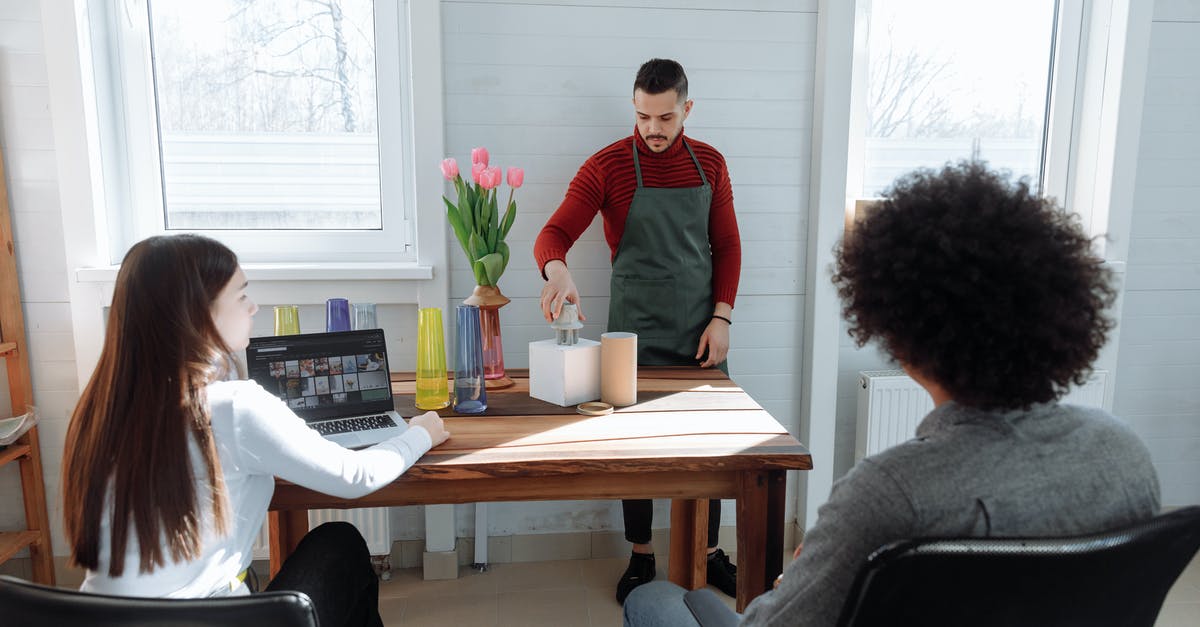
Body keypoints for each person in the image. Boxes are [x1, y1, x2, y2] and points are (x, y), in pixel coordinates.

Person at [622, 161, 1162, 626]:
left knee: (655, 600)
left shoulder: (887, 495)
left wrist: (794, 586)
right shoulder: (1124, 455)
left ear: (900, 335)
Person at [61, 234, 451, 627]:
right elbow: (355, 475)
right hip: (208, 619)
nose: (254, 307)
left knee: (248, 573)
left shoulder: (99, 410)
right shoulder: (232, 406)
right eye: (241, 296)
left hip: (99, 618)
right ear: (201, 314)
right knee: (339, 544)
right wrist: (420, 433)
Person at [533, 58, 742, 603]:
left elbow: (728, 247)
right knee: (636, 448)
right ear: (635, 107)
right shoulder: (608, 166)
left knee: (712, 448)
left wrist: (722, 317)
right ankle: (642, 553)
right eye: (644, 116)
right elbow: (553, 233)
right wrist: (556, 269)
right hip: (633, 335)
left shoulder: (712, 165)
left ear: (686, 110)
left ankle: (709, 552)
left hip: (701, 333)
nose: (653, 128)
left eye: (666, 117)